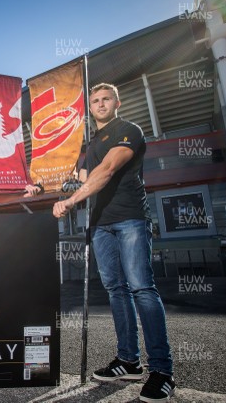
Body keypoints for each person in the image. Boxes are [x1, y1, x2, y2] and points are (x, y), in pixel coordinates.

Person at [53, 83, 174, 402]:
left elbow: (106, 171)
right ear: (89, 108)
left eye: (106, 98)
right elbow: (80, 176)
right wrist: (47, 189)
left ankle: (162, 370)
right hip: (100, 225)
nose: (101, 103)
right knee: (116, 290)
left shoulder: (128, 130)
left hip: (130, 218)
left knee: (142, 288)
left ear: (117, 102)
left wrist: (71, 201)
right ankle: (128, 361)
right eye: (95, 101)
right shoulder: (89, 142)